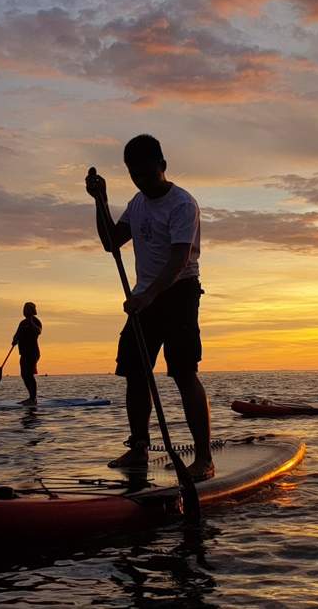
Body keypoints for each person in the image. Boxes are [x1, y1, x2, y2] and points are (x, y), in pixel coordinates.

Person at [86, 134, 214, 480]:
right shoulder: (137, 203)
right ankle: (139, 448)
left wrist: (149, 295)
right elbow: (112, 243)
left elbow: (178, 258)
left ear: (162, 166)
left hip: (179, 293)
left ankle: (203, 458)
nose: (141, 181)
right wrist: (101, 201)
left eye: (146, 173)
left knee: (183, 373)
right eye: (134, 175)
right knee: (135, 372)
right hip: (145, 296)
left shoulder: (183, 205)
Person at [12, 302, 42, 406]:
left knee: (29, 374)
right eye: (24, 309)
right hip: (23, 353)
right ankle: (31, 397)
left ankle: (33, 399)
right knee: (24, 375)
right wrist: (15, 340)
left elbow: (38, 331)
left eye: (27, 309)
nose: (24, 311)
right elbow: (16, 335)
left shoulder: (36, 321)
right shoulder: (22, 323)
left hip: (33, 352)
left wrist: (31, 322)